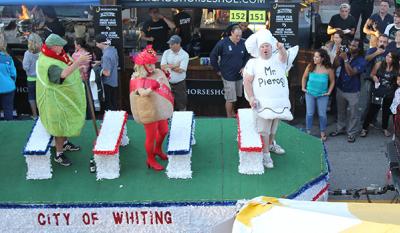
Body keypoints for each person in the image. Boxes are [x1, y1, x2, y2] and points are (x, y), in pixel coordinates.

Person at [36, 34, 91, 166]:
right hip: (55, 101)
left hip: (63, 98)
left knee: (66, 121)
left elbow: (66, 66)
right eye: (60, 46)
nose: (62, 48)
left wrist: (78, 68)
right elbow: (61, 75)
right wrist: (79, 62)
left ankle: (65, 144)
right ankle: (59, 154)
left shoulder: (55, 55)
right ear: (53, 46)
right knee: (59, 127)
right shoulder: (49, 63)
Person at [243, 29, 293, 169]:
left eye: (267, 46)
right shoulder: (253, 63)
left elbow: (284, 58)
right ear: (258, 49)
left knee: (273, 126)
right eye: (262, 46)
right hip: (262, 102)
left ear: (271, 47)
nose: (265, 49)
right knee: (264, 129)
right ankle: (265, 155)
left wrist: (281, 48)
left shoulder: (278, 59)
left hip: (278, 101)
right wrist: (251, 98)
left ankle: (271, 145)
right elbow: (247, 81)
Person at [129, 45, 174, 171]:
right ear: (141, 65)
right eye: (149, 65)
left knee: (164, 130)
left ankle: (157, 149)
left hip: (159, 109)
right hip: (148, 112)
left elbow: (163, 84)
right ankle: (150, 159)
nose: (152, 67)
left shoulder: (156, 72)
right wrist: (154, 86)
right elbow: (142, 93)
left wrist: (165, 77)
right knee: (151, 137)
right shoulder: (137, 78)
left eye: (153, 63)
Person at [330, 39, 367, 143]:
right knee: (340, 111)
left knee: (353, 114)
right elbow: (335, 65)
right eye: (350, 44)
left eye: (354, 46)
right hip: (341, 88)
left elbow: (351, 73)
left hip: (353, 91)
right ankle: (340, 129)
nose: (351, 47)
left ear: (359, 49)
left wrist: (346, 60)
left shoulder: (361, 61)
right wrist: (338, 55)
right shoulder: (347, 55)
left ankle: (351, 133)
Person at [210, 25, 249, 118]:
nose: (239, 38)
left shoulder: (243, 42)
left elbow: (247, 56)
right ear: (231, 33)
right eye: (236, 35)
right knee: (230, 98)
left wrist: (244, 67)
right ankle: (228, 117)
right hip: (228, 75)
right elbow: (213, 56)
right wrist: (217, 69)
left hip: (239, 76)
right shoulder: (223, 43)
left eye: (240, 35)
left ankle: (232, 113)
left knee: (236, 97)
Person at [361, 52, 398, 137]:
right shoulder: (379, 64)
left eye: (390, 57)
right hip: (378, 91)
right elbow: (372, 74)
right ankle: (364, 128)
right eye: (387, 56)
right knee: (372, 109)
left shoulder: (397, 68)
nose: (388, 58)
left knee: (386, 111)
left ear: (394, 59)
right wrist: (374, 77)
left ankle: (384, 128)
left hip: (389, 93)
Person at [301, 49, 335, 141]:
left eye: (317, 57)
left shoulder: (328, 69)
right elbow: (304, 77)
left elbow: (332, 82)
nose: (314, 58)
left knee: (322, 114)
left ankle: (323, 133)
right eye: (314, 56)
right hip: (310, 93)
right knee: (309, 113)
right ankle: (308, 131)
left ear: (322, 58)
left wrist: (329, 92)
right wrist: (303, 88)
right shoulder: (310, 66)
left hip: (323, 95)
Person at [161, 35, 189, 111]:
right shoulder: (166, 52)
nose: (170, 46)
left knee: (182, 104)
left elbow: (181, 70)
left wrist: (169, 66)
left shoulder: (185, 55)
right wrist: (175, 65)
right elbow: (163, 67)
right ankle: (168, 121)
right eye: (170, 44)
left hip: (180, 84)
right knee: (167, 104)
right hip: (167, 83)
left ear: (178, 44)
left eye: (172, 44)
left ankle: (183, 121)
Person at [95, 34, 119, 111]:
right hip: (114, 80)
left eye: (97, 43)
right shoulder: (113, 50)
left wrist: (97, 69)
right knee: (114, 103)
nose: (96, 45)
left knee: (109, 105)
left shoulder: (106, 56)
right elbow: (113, 62)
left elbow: (107, 73)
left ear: (102, 43)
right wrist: (100, 62)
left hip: (108, 83)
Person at [22, 33, 42, 120]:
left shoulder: (27, 53)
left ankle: (34, 115)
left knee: (32, 97)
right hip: (41, 79)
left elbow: (25, 67)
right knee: (41, 97)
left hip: (31, 79)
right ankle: (42, 114)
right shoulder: (42, 53)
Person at [0, 35, 17, 121]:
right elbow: (13, 75)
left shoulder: (8, 58)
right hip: (8, 88)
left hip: (7, 87)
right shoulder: (8, 58)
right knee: (8, 110)